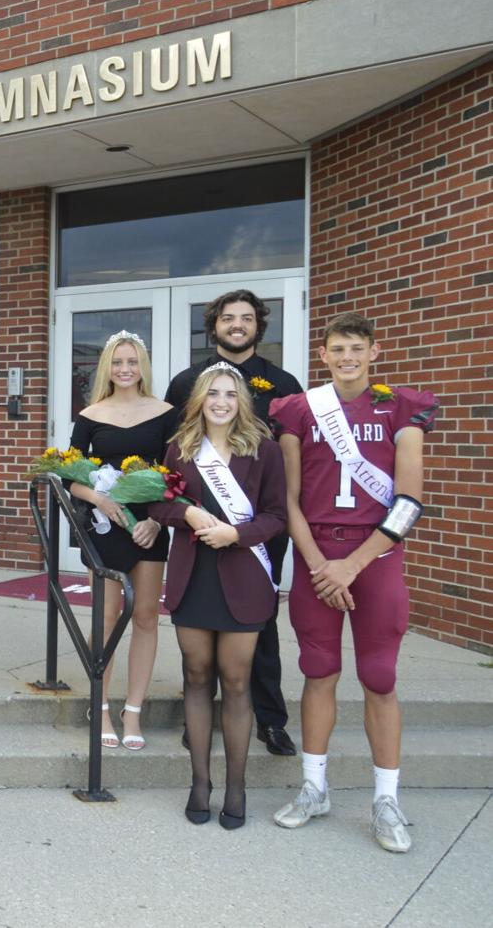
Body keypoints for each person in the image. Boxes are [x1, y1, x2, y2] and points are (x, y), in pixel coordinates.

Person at [270, 314, 435, 854]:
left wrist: (351, 566)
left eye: (356, 348)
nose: (347, 357)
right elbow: (289, 500)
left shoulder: (400, 407)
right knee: (317, 670)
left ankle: (387, 799)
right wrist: (321, 566)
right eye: (337, 348)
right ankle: (313, 787)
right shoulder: (299, 409)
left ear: (373, 351)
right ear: (323, 354)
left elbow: (408, 502)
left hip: (375, 553)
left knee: (379, 676)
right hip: (317, 549)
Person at [165, 289, 303, 757]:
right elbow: (170, 466)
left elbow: (296, 454)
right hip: (199, 530)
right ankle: (198, 718)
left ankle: (269, 718)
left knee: (258, 624)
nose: (237, 325)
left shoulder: (282, 382)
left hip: (256, 528)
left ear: (258, 325)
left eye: (247, 318)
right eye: (229, 318)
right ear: (215, 324)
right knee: (200, 645)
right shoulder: (186, 382)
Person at [148, 364, 286, 829]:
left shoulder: (264, 451)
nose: (221, 401)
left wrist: (237, 534)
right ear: (201, 400)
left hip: (244, 575)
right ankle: (200, 782)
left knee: (238, 680)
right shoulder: (181, 448)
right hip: (194, 576)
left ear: (241, 400)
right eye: (213, 394)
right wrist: (186, 515)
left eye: (230, 393)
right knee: (196, 675)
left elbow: (276, 516)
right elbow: (158, 503)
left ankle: (237, 786)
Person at [68, 330, 175, 747]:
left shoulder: (167, 413)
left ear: (142, 366)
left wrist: (159, 521)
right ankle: (102, 705)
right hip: (106, 524)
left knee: (146, 616)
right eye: (117, 362)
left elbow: (177, 474)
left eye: (132, 362)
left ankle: (134, 711)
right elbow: (69, 475)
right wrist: (98, 498)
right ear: (107, 368)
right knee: (107, 618)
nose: (125, 369)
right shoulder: (91, 415)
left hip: (149, 525)